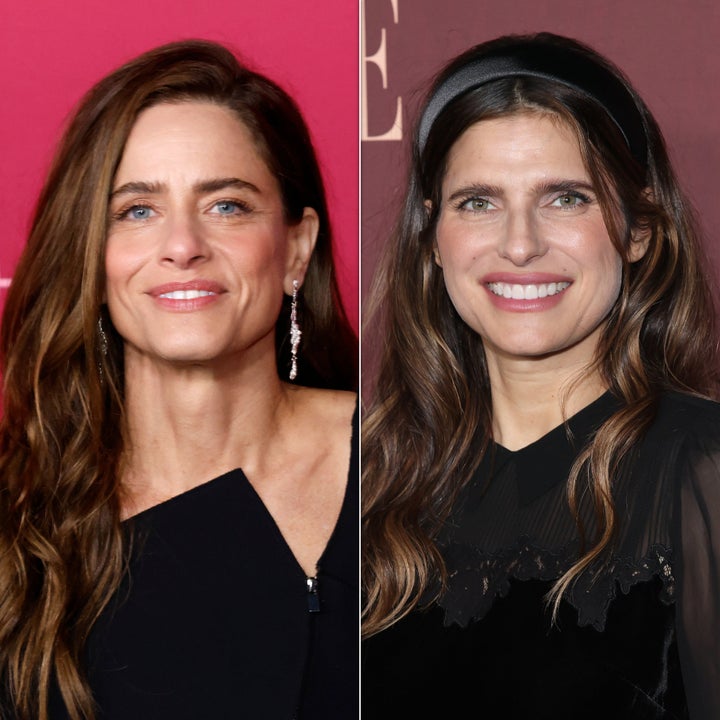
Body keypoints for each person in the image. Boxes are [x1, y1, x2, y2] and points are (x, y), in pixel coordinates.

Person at [361, 31, 720, 719]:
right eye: (479, 202)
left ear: (639, 228)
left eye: (566, 199)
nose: (520, 244)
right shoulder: (373, 480)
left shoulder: (701, 471)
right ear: (432, 236)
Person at [0, 39, 358, 720]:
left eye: (227, 206)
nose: (183, 246)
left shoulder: (422, 464)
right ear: (91, 256)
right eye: (137, 211)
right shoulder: (18, 525)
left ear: (296, 248)